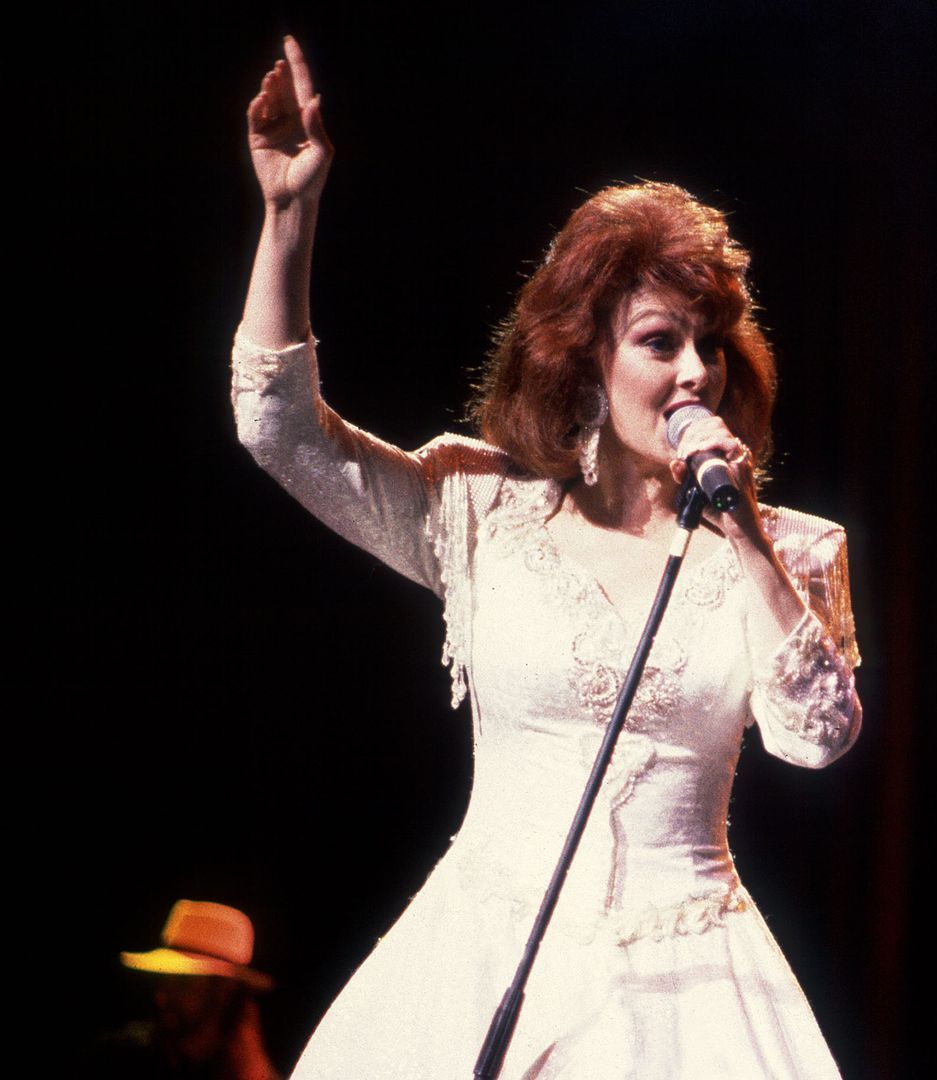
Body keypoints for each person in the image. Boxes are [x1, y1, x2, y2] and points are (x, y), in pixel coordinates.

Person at [232, 38, 861, 1078]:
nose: (696, 371)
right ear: (587, 359)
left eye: (711, 342)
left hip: (687, 995)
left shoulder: (791, 550)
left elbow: (818, 737)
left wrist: (745, 534)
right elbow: (280, 430)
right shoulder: (481, 513)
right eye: (660, 341)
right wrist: (288, 215)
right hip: (480, 957)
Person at [88, 900, 283, 1080]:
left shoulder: (250, 1071)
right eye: (162, 979)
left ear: (223, 990)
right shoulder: (119, 1059)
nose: (161, 997)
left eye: (182, 982)